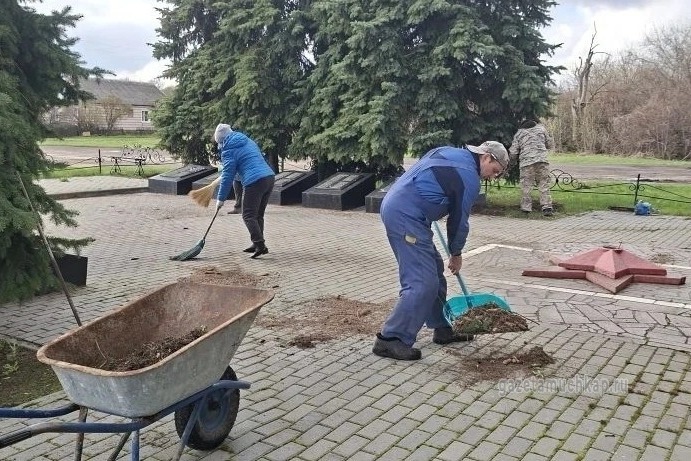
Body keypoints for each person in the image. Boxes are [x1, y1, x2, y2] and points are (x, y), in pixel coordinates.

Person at [373, 141, 509, 361]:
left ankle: (442, 328)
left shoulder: (450, 152)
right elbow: (459, 222)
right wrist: (456, 253)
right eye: (494, 171)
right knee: (422, 282)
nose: (493, 177)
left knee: (435, 273)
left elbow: (426, 175)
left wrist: (429, 204)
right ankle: (391, 338)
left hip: (407, 210)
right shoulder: (469, 177)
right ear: (486, 157)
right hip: (406, 216)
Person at [214, 123, 275, 258]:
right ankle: (257, 243)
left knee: (248, 215)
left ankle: (260, 245)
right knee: (258, 215)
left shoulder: (228, 151)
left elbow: (227, 176)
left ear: (222, 141)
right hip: (269, 177)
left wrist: (220, 199)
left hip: (254, 181)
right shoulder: (247, 141)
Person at [509, 119, 555, 216]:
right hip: (542, 161)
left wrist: (512, 162)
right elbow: (549, 144)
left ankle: (526, 208)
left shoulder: (519, 133)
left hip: (526, 162)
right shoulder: (541, 129)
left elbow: (513, 152)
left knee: (526, 185)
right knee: (543, 183)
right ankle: (547, 207)